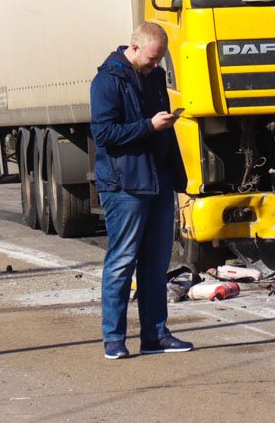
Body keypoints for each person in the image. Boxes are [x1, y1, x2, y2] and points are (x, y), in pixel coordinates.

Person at [90, 21, 192, 360]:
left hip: (159, 180)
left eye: (159, 59)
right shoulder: (108, 80)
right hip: (125, 185)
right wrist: (149, 126)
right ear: (134, 48)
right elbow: (104, 134)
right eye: (151, 58)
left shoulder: (154, 76)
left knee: (156, 263)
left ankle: (155, 334)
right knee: (121, 261)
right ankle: (114, 339)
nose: (155, 64)